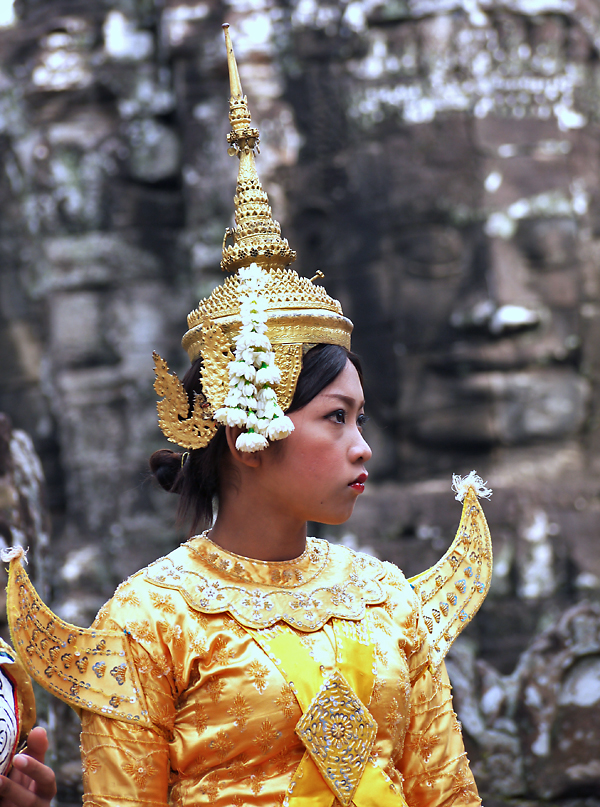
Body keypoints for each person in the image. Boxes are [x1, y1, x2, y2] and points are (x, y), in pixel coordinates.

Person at [5, 26, 492, 807]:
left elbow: (449, 793)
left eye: (360, 418)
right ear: (248, 432)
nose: (362, 447)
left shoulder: (386, 596)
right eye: (336, 418)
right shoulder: (152, 614)